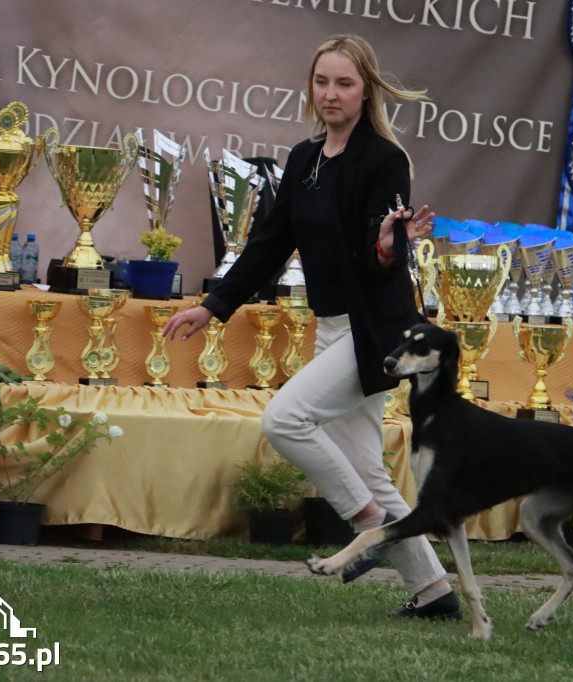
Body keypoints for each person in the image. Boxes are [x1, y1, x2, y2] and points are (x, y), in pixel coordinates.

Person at [163, 34, 460, 620]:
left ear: (366, 89)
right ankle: (435, 592)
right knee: (367, 466)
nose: (330, 94)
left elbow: (388, 251)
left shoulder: (385, 159)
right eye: (322, 82)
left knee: (284, 418)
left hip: (377, 331)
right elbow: (269, 244)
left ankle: (366, 521)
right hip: (332, 329)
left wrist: (382, 246)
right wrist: (213, 304)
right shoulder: (303, 159)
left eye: (344, 83)